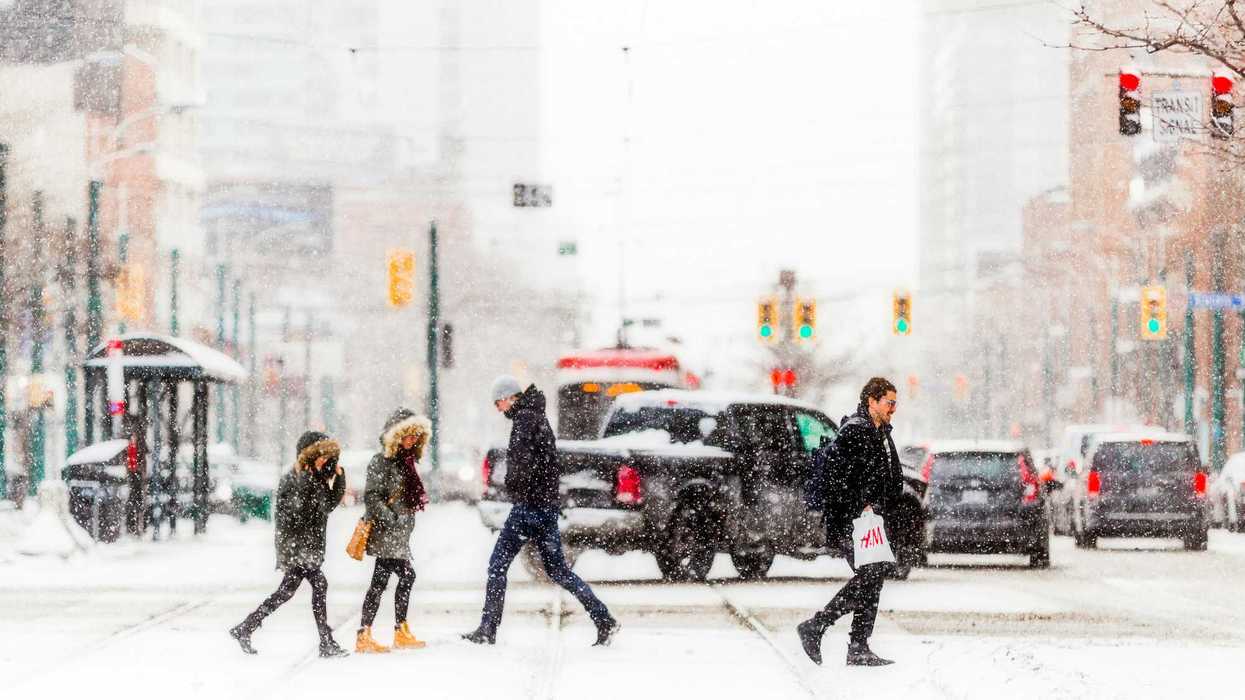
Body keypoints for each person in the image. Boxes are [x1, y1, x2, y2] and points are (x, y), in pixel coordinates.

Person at [463, 376, 619, 647]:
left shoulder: (524, 420)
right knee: (559, 571)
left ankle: (488, 629)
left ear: (510, 397)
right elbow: (546, 464)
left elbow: (523, 466)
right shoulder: (538, 417)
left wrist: (513, 484)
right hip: (545, 508)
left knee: (496, 566)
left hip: (528, 508)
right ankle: (603, 618)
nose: (499, 409)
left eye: (499, 402)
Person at [797, 377, 902, 667]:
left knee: (873, 575)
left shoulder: (878, 431)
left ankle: (857, 645)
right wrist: (861, 504)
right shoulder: (856, 431)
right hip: (851, 521)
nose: (893, 408)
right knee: (870, 575)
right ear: (872, 400)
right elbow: (837, 479)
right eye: (889, 402)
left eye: (895, 403)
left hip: (869, 520)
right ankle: (817, 627)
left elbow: (883, 475)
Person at [230, 431, 348, 658]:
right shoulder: (298, 478)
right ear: (310, 453)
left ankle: (246, 628)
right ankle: (325, 642)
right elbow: (296, 515)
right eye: (322, 455)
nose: (325, 459)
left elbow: (328, 505)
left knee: (286, 592)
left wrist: (338, 477)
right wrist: (316, 487)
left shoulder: (312, 476)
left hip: (305, 546)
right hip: (297, 547)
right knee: (317, 586)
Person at [354, 408, 432, 654]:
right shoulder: (382, 461)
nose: (412, 440)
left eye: (416, 436)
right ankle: (380, 632)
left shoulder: (406, 461)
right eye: (408, 435)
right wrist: (394, 519)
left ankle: (383, 631)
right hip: (386, 533)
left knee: (383, 582)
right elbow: (372, 497)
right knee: (400, 578)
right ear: (396, 436)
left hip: (398, 535)